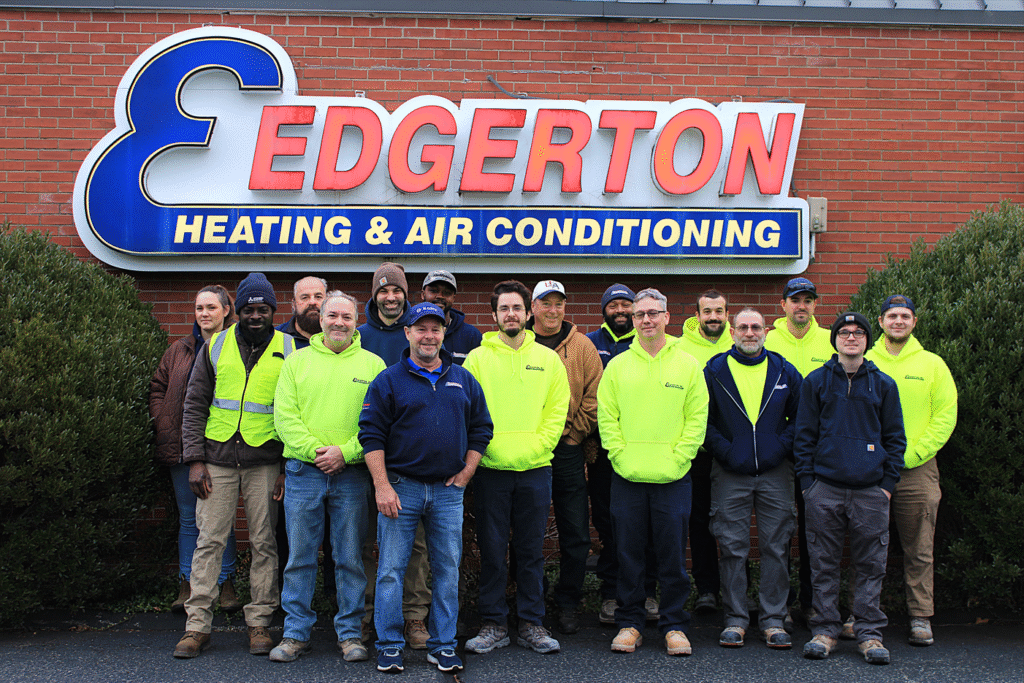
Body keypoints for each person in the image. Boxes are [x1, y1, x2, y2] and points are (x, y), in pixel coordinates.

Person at [359, 302, 493, 674]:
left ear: (443, 334)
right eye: (421, 329)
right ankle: (389, 645)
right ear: (408, 333)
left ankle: (443, 645)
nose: (428, 336)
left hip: (448, 492)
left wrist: (466, 472)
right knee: (391, 570)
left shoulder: (463, 379)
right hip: (401, 489)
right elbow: (371, 434)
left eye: (435, 329)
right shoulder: (388, 380)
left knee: (447, 570)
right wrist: (382, 486)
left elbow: (482, 428)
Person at [173, 272, 293, 659]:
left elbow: (295, 411)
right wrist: (194, 460)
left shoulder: (290, 349)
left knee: (264, 543)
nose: (255, 315)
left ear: (273, 310)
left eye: (263, 309)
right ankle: (197, 627)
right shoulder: (216, 345)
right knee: (209, 542)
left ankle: (259, 623)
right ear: (237, 311)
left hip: (265, 462)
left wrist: (285, 468)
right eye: (248, 309)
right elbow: (194, 404)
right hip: (217, 461)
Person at [269, 292, 386, 664]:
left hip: (352, 474)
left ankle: (350, 634)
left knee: (350, 557)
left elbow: (378, 422)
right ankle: (295, 633)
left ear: (356, 322)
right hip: (304, 473)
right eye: (332, 315)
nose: (339, 322)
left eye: (347, 317)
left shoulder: (373, 364)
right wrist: (319, 453)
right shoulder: (296, 362)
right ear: (320, 319)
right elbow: (285, 418)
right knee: (300, 558)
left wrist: (345, 453)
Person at [598, 288, 708, 657]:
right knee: (628, 555)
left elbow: (697, 418)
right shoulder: (617, 366)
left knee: (672, 557)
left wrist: (680, 459)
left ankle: (674, 625)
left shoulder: (687, 365)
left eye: (653, 313)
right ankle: (630, 623)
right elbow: (607, 418)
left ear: (666, 317)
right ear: (633, 320)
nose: (646, 320)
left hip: (673, 478)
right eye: (640, 314)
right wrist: (620, 457)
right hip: (627, 476)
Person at [463, 280, 570, 656]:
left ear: (528, 313)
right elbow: (469, 411)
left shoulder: (548, 360)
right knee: (492, 551)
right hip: (490, 469)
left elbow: (557, 410)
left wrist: (537, 447)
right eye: (504, 308)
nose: (511, 314)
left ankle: (531, 623)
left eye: (517, 308)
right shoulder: (477, 359)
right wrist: (486, 451)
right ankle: (493, 623)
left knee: (530, 551)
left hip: (535, 469)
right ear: (494, 315)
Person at [795, 312, 906, 665]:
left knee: (871, 564)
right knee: (823, 564)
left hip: (870, 491)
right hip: (824, 488)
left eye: (859, 332)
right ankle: (825, 631)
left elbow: (895, 439)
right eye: (845, 332)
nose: (852, 337)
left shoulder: (884, 384)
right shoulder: (816, 382)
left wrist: (886, 486)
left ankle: (869, 634)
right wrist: (808, 485)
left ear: (868, 340)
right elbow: (803, 437)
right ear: (836, 339)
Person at [703, 308, 802, 650]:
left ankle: (773, 619)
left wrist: (779, 449)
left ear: (765, 332)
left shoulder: (784, 370)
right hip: (730, 471)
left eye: (755, 327)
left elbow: (801, 418)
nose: (749, 333)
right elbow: (702, 419)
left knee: (776, 546)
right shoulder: (714, 371)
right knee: (732, 547)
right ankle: (736, 619)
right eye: (743, 327)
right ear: (732, 332)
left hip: (776, 472)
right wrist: (727, 452)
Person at [864, 295, 957, 647]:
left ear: (914, 322)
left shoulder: (933, 365)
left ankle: (920, 616)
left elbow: (944, 416)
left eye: (905, 316)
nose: (898, 321)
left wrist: (915, 453)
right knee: (865, 544)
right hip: (870, 469)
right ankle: (861, 614)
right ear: (881, 321)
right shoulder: (865, 361)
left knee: (919, 547)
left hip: (917, 469)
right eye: (892, 316)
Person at [150, 285, 240, 615]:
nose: (204, 313)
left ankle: (225, 583)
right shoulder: (180, 349)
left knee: (220, 519)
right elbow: (158, 387)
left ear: (226, 311)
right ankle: (187, 583)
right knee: (189, 518)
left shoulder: (237, 347)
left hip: (219, 448)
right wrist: (162, 418)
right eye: (200, 308)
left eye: (211, 307)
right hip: (181, 448)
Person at [356, 261, 431, 648]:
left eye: (397, 290)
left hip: (409, 461)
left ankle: (414, 616)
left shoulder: (418, 332)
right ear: (374, 295)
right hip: (366, 457)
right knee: (367, 542)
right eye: (383, 290)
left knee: (415, 545)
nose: (390, 297)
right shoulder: (359, 337)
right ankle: (367, 615)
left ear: (406, 294)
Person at [526, 279, 603, 634]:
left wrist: (573, 436)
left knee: (575, 531)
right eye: (546, 303)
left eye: (559, 303)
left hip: (566, 449)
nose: (553, 310)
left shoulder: (582, 346)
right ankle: (531, 599)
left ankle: (569, 600)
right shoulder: (519, 343)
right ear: (533, 307)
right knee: (526, 530)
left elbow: (595, 396)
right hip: (527, 449)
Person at [585, 284, 659, 626]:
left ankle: (648, 592)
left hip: (646, 449)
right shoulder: (590, 343)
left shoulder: (648, 343)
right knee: (610, 524)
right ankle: (613, 593)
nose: (619, 310)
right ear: (604, 310)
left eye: (625, 304)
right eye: (612, 304)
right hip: (604, 452)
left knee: (648, 525)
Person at [764, 276, 833, 624]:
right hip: (780, 450)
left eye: (807, 300)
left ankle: (811, 601)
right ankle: (781, 604)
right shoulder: (768, 342)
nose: (801, 306)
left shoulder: (831, 342)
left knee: (815, 530)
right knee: (779, 530)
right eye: (795, 300)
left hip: (820, 451)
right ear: (784, 305)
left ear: (815, 305)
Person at [678, 288, 733, 615]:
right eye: (707, 311)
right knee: (698, 523)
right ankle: (707, 589)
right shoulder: (679, 349)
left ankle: (737, 590)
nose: (713, 317)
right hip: (696, 451)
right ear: (696, 315)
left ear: (727, 314)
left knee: (732, 522)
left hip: (732, 451)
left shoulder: (740, 344)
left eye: (719, 311)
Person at [420, 269, 482, 364]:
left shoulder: (471, 336)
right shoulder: (411, 331)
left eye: (447, 292)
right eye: (434, 291)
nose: (440, 296)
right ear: (423, 294)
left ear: (453, 298)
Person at [276, 276, 327, 348]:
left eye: (318, 297)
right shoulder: (275, 337)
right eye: (305, 297)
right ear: (294, 304)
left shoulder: (338, 336)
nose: (312, 302)